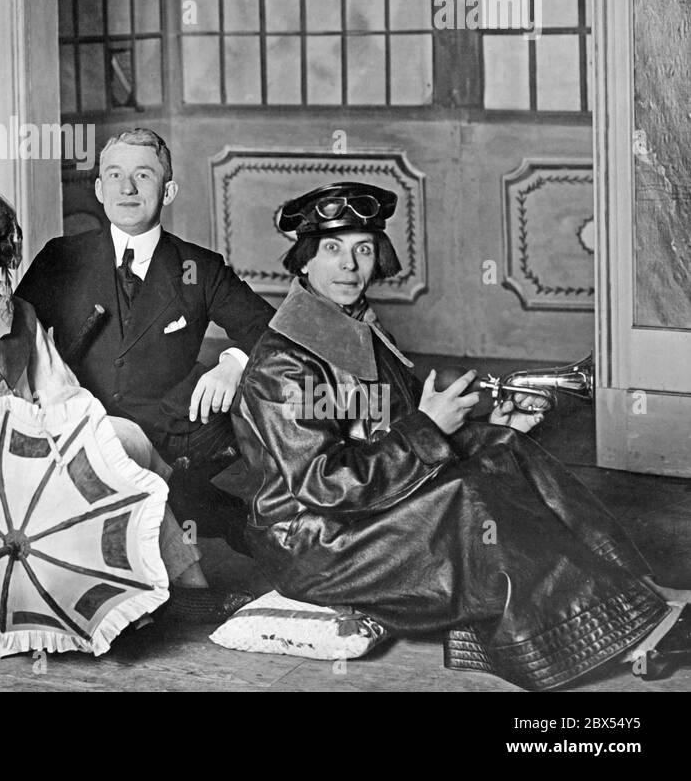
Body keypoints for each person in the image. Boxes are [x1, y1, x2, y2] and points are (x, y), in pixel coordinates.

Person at [227, 180, 691, 690]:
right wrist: (429, 429)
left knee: (501, 448)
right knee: (471, 495)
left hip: (359, 513)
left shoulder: (359, 329)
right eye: (332, 250)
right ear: (304, 263)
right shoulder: (285, 363)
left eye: (362, 249)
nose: (349, 265)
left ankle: (632, 588)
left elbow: (394, 432)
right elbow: (325, 485)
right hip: (312, 541)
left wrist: (499, 427)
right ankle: (616, 625)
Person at [0, 182, 253, 635]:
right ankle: (118, 599)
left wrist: (72, 442)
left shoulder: (15, 314)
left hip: (30, 450)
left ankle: (184, 582)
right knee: (74, 484)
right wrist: (36, 460)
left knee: (121, 441)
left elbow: (62, 393)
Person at [16, 129, 273, 543]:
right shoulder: (60, 258)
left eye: (144, 176)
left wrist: (233, 364)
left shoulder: (200, 267)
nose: (128, 188)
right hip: (82, 429)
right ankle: (208, 523)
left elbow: (269, 331)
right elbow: (14, 339)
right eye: (115, 176)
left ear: (168, 191)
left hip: (173, 431)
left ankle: (242, 528)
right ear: (99, 189)